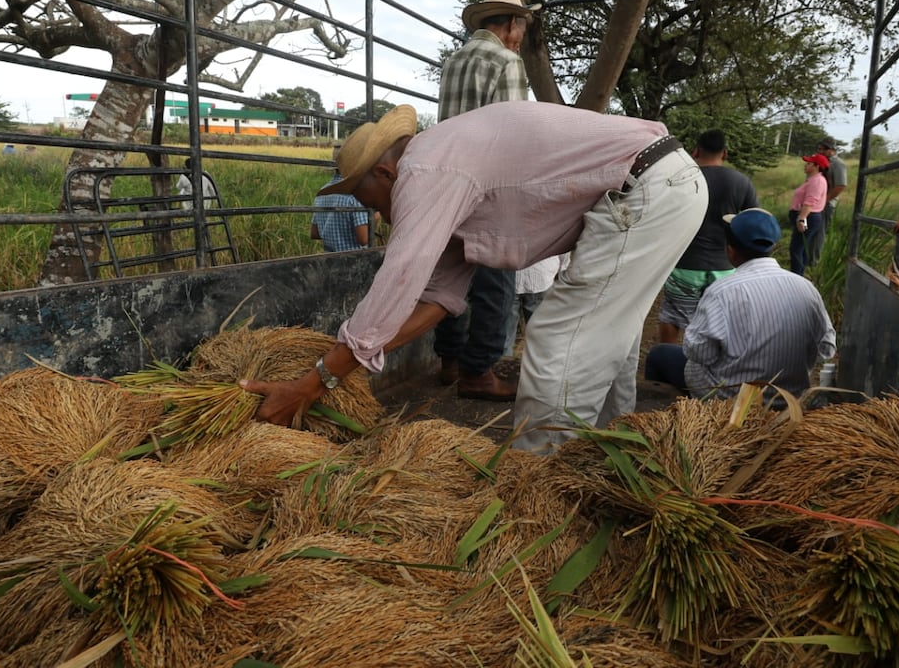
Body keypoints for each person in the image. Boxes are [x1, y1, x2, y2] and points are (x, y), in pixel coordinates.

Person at [238, 101, 707, 454]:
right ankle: (604, 453)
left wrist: (315, 381)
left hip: (647, 188)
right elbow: (437, 297)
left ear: (386, 171)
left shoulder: (426, 168)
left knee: (560, 340)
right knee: (606, 339)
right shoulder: (448, 163)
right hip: (660, 186)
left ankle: (540, 487)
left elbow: (399, 276)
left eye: (372, 202)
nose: (380, 217)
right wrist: (350, 362)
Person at [433, 0, 541, 401]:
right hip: (489, 185)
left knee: (452, 275)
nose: (521, 39)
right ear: (512, 24)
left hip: (449, 183)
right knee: (495, 277)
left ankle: (450, 362)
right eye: (521, 30)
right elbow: (512, 133)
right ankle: (478, 372)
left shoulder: (453, 62)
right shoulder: (506, 61)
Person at [644, 208, 836, 400]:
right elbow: (826, 349)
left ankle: (671, 418)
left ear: (731, 251)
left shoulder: (722, 292)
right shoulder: (806, 287)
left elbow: (700, 353)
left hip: (729, 397)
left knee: (659, 355)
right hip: (787, 397)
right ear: (773, 246)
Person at [657, 128, 758, 344]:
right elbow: (753, 221)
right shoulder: (741, 182)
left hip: (684, 264)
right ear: (725, 153)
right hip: (725, 267)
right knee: (719, 318)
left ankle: (664, 365)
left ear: (695, 151)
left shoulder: (682, 179)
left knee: (672, 315)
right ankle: (712, 368)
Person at [502, 253, 569, 358]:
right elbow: (562, 244)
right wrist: (562, 268)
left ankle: (504, 367)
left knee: (504, 337)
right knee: (541, 337)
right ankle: (541, 369)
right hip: (541, 275)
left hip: (507, 275)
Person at [312, 145, 371, 252]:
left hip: (328, 259)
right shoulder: (355, 193)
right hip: (354, 260)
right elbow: (363, 239)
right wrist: (373, 217)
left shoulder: (322, 192)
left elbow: (315, 233)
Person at [808, 136, 848, 265]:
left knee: (819, 232)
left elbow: (840, 186)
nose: (819, 151)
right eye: (818, 149)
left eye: (822, 149)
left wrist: (824, 200)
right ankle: (807, 257)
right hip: (814, 203)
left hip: (826, 204)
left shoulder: (838, 164)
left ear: (831, 150)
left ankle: (814, 261)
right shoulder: (821, 161)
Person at [789, 153, 828, 276]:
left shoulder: (817, 181)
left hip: (808, 217)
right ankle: (799, 274)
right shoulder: (813, 180)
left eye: (809, 163)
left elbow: (810, 201)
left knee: (796, 249)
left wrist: (801, 218)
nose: (806, 166)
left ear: (817, 166)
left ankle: (796, 277)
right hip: (807, 216)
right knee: (802, 248)